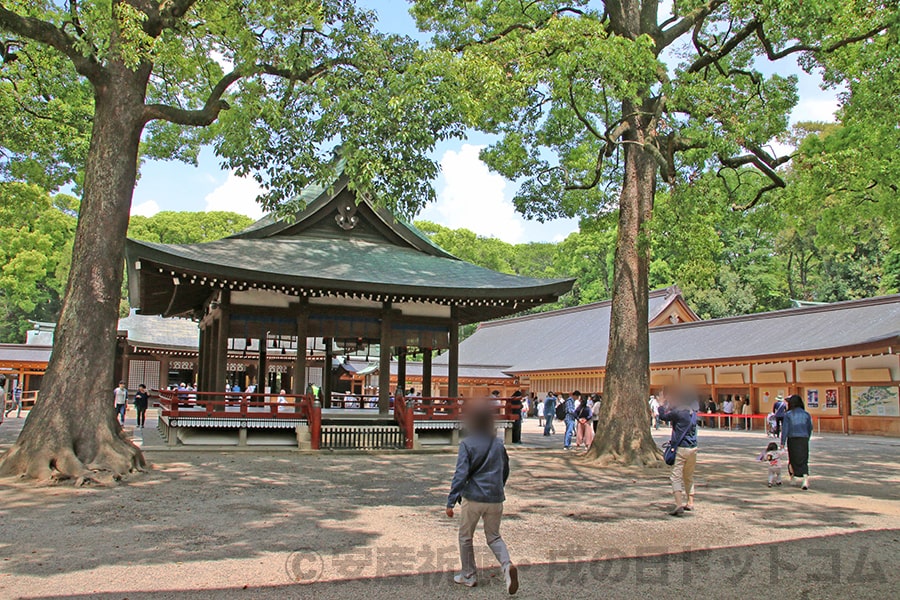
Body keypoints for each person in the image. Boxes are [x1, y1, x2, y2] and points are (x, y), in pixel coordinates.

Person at [446, 402, 518, 594]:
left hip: (473, 497)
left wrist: (451, 500)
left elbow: (460, 474)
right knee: (494, 536)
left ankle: (469, 575)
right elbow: (505, 469)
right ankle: (506, 566)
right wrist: (497, 488)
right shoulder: (498, 444)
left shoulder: (467, 444)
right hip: (495, 497)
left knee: (465, 536)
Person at [658, 388, 698, 517]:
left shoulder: (678, 413)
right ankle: (690, 502)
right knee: (689, 475)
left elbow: (664, 416)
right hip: (693, 447)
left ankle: (679, 504)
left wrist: (661, 405)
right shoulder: (693, 413)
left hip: (681, 447)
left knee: (676, 476)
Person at [781, 394, 813, 490]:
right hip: (803, 438)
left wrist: (782, 442)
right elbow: (809, 428)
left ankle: (793, 477)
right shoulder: (806, 414)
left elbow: (785, 429)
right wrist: (807, 437)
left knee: (793, 458)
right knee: (803, 459)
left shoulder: (788, 415)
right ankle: (805, 479)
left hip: (793, 438)